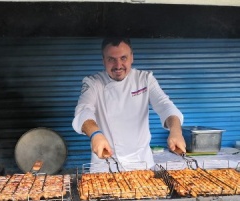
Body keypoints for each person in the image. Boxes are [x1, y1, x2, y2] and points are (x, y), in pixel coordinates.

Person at [72, 37, 186, 170]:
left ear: (132, 57)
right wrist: (95, 134)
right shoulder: (93, 83)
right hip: (105, 165)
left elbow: (165, 105)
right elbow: (83, 110)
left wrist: (176, 130)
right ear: (103, 61)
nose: (118, 65)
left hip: (141, 164)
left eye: (123, 58)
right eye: (111, 59)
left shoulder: (145, 79)